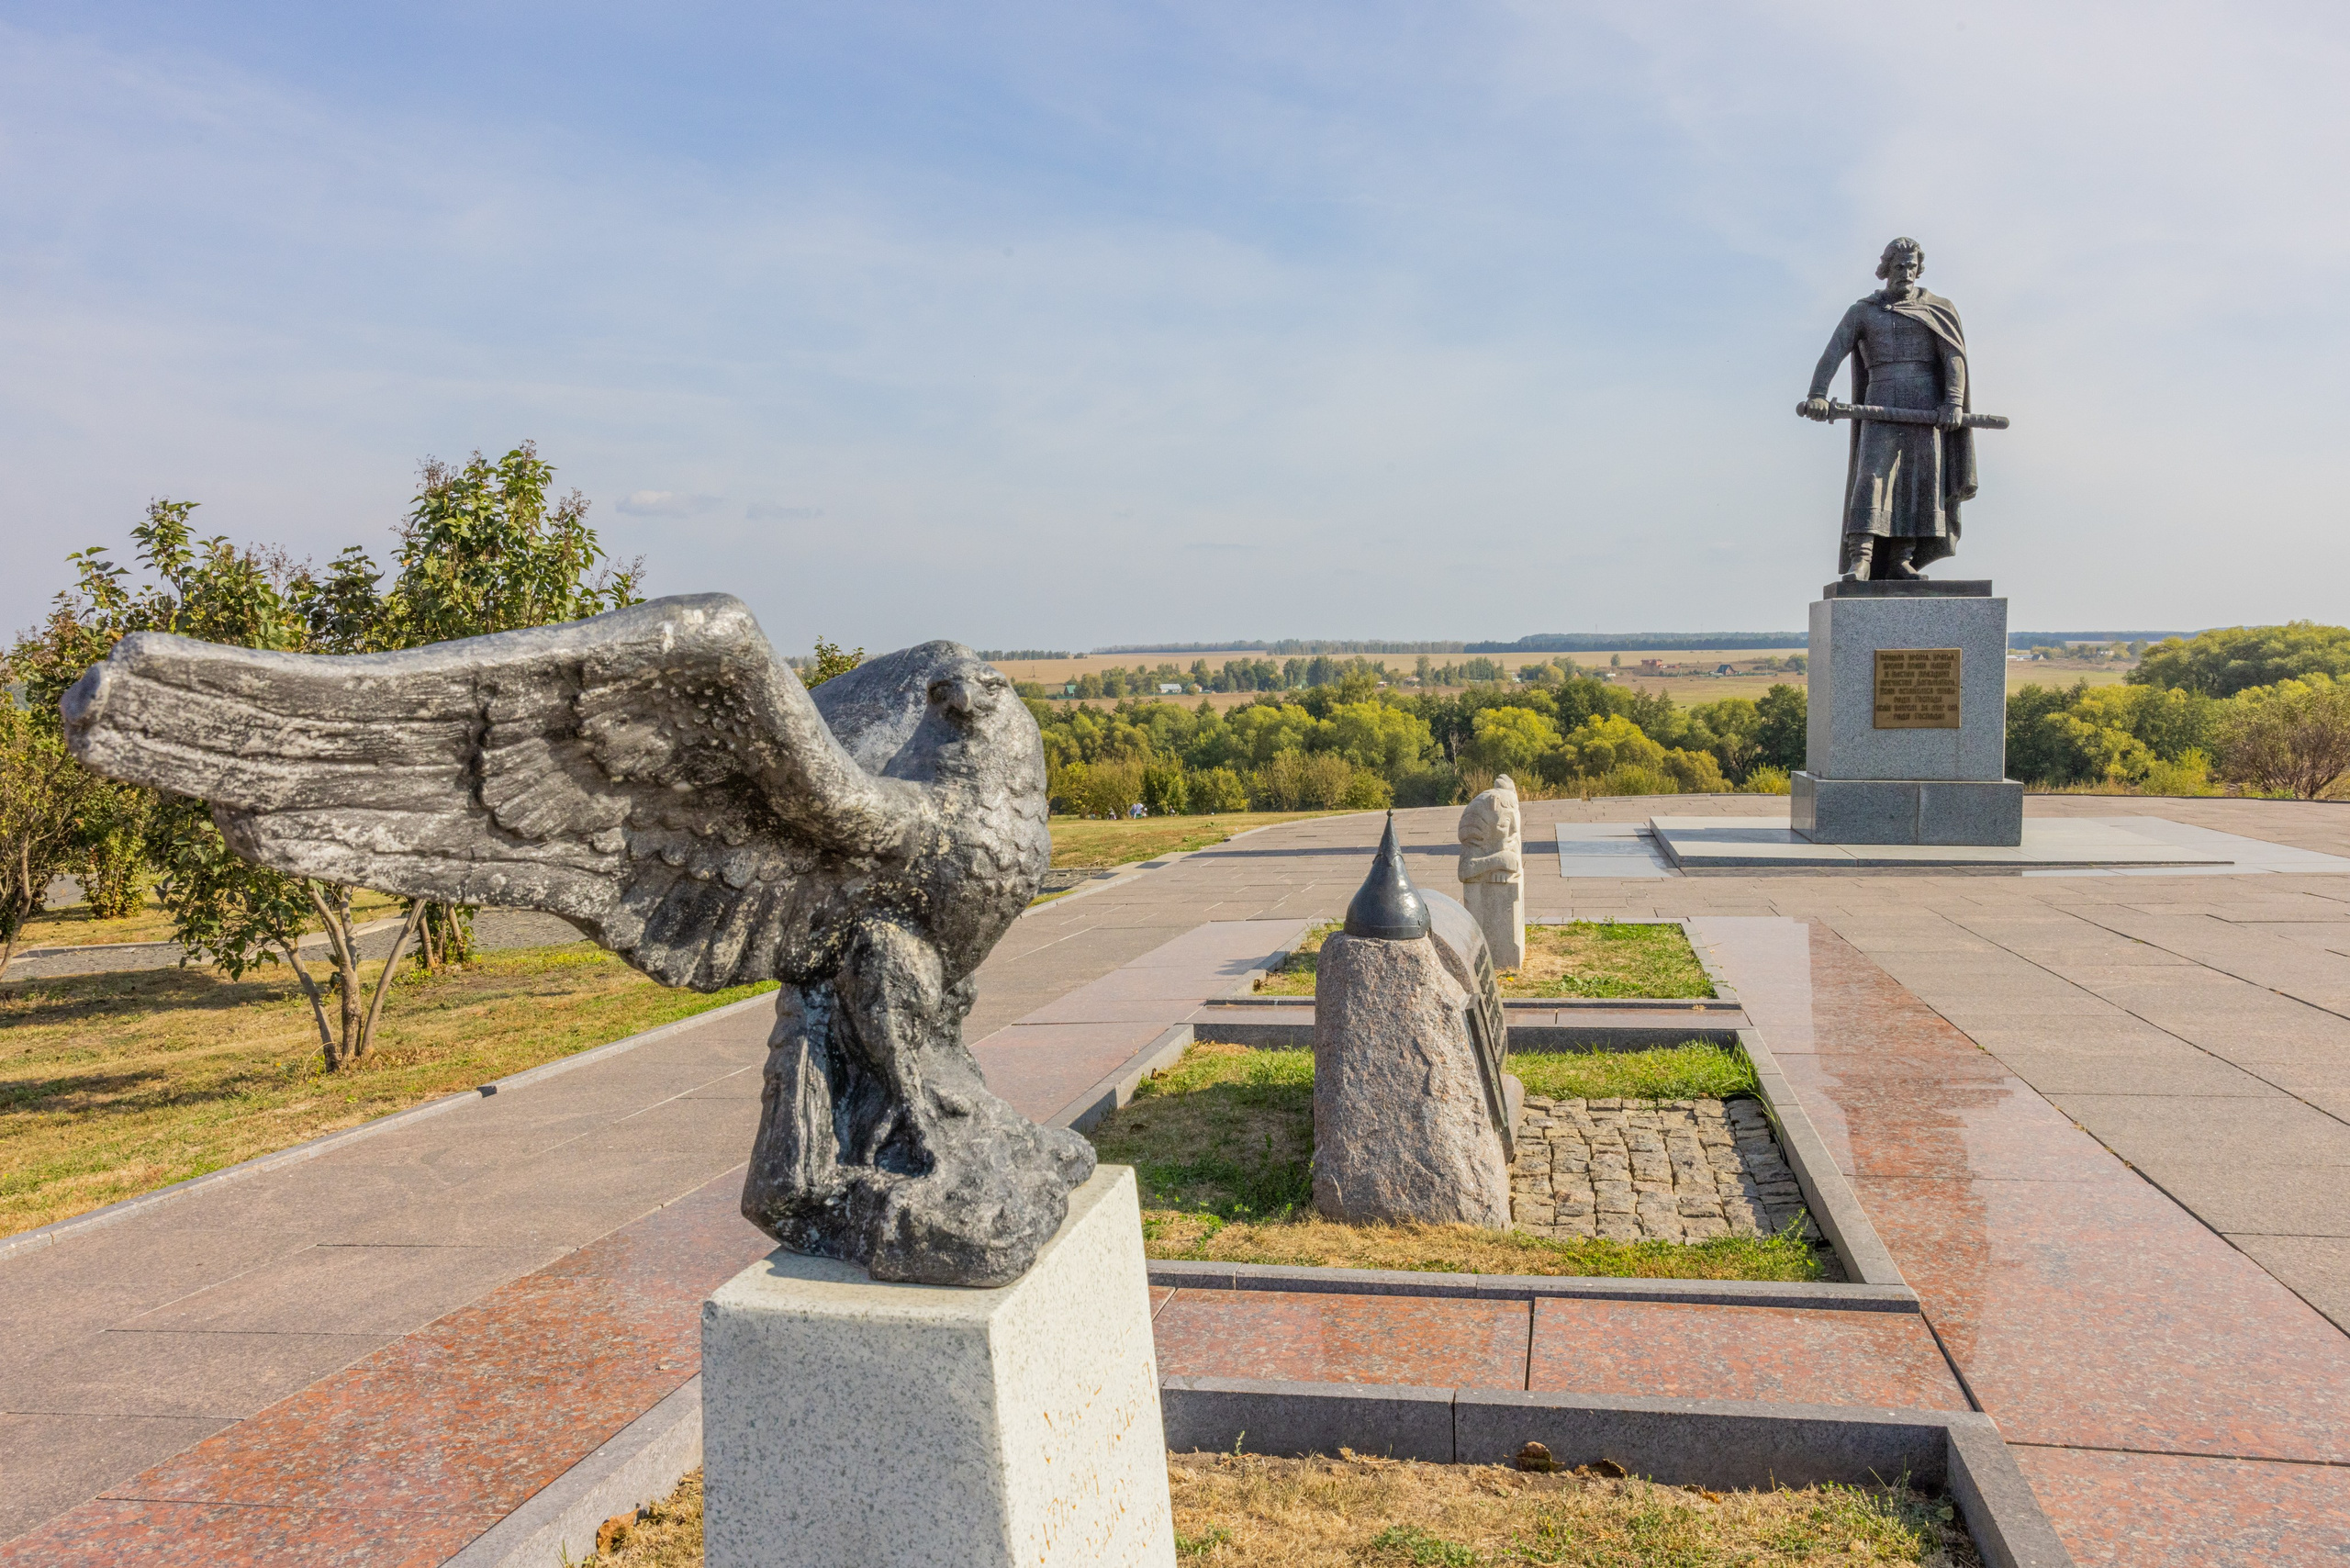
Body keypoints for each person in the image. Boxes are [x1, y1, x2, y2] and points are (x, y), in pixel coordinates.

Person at [1799, 237, 1979, 580]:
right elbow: (1833, 353)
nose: (1906, 273)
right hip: (1880, 400)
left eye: (1912, 266)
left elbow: (1953, 357)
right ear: (1885, 269)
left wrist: (1953, 401)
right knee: (1872, 477)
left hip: (1925, 403)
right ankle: (1861, 558)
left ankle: (1902, 559)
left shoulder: (1938, 308)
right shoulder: (1863, 311)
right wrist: (1818, 394)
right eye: (1899, 266)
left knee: (1918, 481)